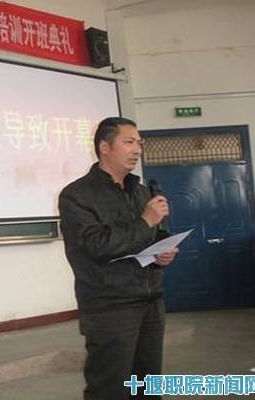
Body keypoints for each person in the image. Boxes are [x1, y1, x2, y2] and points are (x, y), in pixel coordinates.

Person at [58, 117, 179, 400]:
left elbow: (149, 238)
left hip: (150, 301)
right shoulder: (77, 195)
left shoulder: (141, 191)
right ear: (105, 147)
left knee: (147, 387)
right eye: (129, 142)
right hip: (109, 306)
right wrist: (145, 220)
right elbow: (97, 245)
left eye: (139, 143)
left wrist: (162, 253)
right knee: (110, 389)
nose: (137, 149)